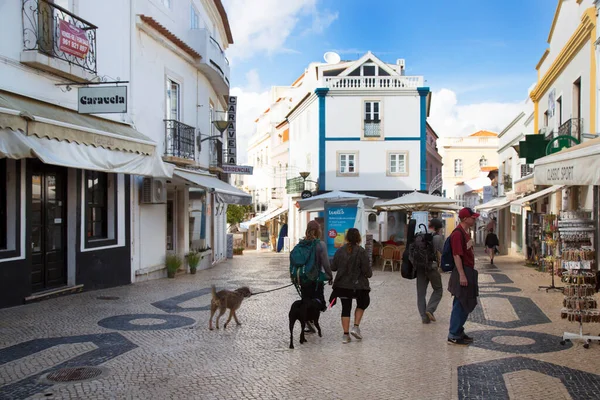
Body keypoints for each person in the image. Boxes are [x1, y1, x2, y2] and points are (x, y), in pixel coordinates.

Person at [329, 228, 372, 344]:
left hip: (342, 286)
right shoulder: (361, 251)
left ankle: (345, 335)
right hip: (359, 286)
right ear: (358, 238)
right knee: (362, 303)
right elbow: (367, 272)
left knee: (345, 308)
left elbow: (333, 267)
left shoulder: (340, 251)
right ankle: (356, 327)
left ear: (347, 238)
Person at [447, 208, 480, 346]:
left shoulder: (465, 233)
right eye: (473, 217)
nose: (475, 219)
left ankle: (459, 331)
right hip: (462, 271)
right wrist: (462, 274)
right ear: (466, 219)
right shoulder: (457, 234)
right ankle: (453, 334)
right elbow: (456, 255)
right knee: (460, 303)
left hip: (468, 270)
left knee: (465, 302)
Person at [300, 221, 333, 332]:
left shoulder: (302, 244)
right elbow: (326, 263)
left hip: (303, 279)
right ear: (318, 231)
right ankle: (313, 320)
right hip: (316, 279)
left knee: (305, 299)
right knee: (318, 301)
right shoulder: (320, 244)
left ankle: (306, 322)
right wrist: (329, 275)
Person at [417, 218, 444, 324]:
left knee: (421, 293)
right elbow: (442, 251)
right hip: (432, 267)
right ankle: (430, 309)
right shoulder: (437, 237)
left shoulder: (419, 235)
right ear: (438, 228)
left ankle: (424, 317)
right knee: (438, 289)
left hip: (419, 268)